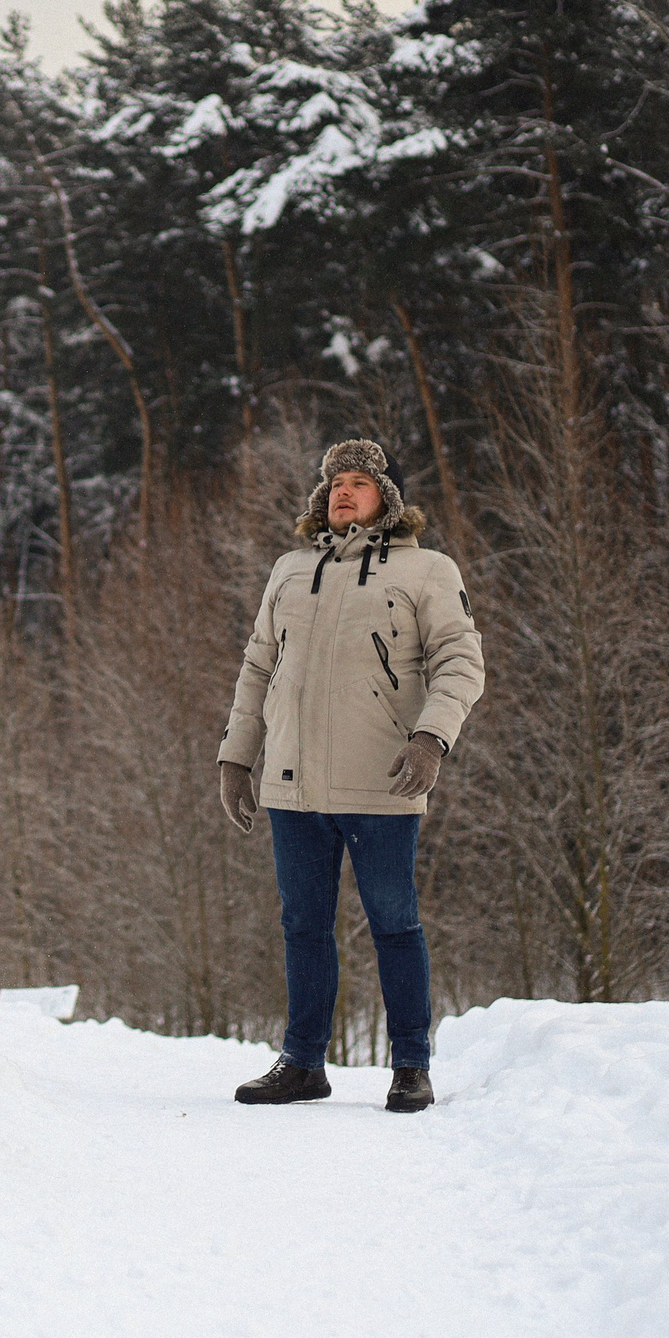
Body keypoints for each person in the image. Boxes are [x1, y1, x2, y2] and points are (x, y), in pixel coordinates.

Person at [215, 439, 485, 1113]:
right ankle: (303, 1062)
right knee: (302, 924)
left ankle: (411, 1065)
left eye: (359, 481)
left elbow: (461, 660)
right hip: (292, 781)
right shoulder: (288, 569)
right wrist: (235, 755)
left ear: (386, 498)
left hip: (382, 780)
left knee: (394, 921)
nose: (343, 491)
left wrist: (432, 737)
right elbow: (256, 668)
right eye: (335, 481)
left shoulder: (426, 571)